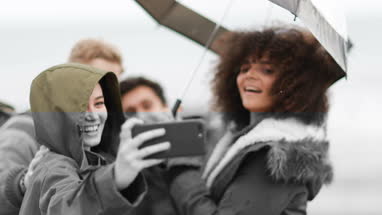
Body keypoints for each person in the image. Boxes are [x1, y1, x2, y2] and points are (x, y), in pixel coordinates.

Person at [164, 26, 342, 215]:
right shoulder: (239, 138)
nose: (249, 75)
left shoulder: (279, 155)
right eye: (244, 68)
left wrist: (181, 170)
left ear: (294, 84)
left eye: (267, 70)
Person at [17, 63, 170, 215]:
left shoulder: (90, 162)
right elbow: (65, 207)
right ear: (57, 114)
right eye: (80, 107)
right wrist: (115, 177)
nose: (93, 115)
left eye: (99, 103)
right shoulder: (54, 166)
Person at [0, 38, 127, 215]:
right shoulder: (22, 131)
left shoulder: (105, 129)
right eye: (90, 77)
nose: (102, 87)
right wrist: (23, 183)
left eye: (112, 82)